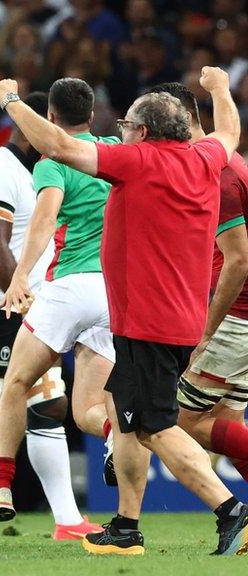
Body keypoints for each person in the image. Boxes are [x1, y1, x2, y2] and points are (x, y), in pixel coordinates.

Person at [0, 66, 248, 556]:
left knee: (153, 425)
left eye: (128, 123)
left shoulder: (137, 161)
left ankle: (230, 510)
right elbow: (229, 131)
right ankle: (127, 527)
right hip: (177, 318)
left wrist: (11, 103)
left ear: (144, 133)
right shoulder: (207, 158)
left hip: (147, 320)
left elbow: (61, 146)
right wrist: (219, 89)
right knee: (124, 418)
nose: (121, 129)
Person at [0, 79, 116, 534]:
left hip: (67, 289)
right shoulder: (113, 151)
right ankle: (115, 437)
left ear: (50, 118)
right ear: (93, 116)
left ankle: (0, 487)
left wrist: (19, 276)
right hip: (113, 294)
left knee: (15, 384)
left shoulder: (52, 165)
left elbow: (45, 221)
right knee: (82, 407)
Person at [149, 82, 248, 485]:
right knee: (225, 422)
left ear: (182, 118)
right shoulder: (223, 158)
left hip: (236, 319)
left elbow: (239, 259)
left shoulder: (220, 177)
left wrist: (206, 332)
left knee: (179, 421)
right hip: (243, 317)